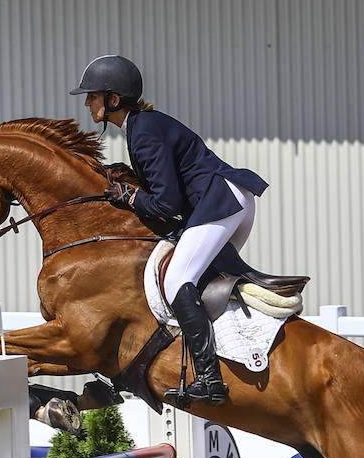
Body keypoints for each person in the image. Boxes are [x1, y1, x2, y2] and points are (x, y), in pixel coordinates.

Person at [70, 53, 269, 408]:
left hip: (219, 201)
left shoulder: (144, 133)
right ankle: (239, 348)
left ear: (113, 99)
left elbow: (168, 204)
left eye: (93, 95)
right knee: (206, 279)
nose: (87, 102)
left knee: (178, 280)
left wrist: (129, 198)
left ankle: (209, 378)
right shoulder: (142, 127)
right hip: (230, 200)